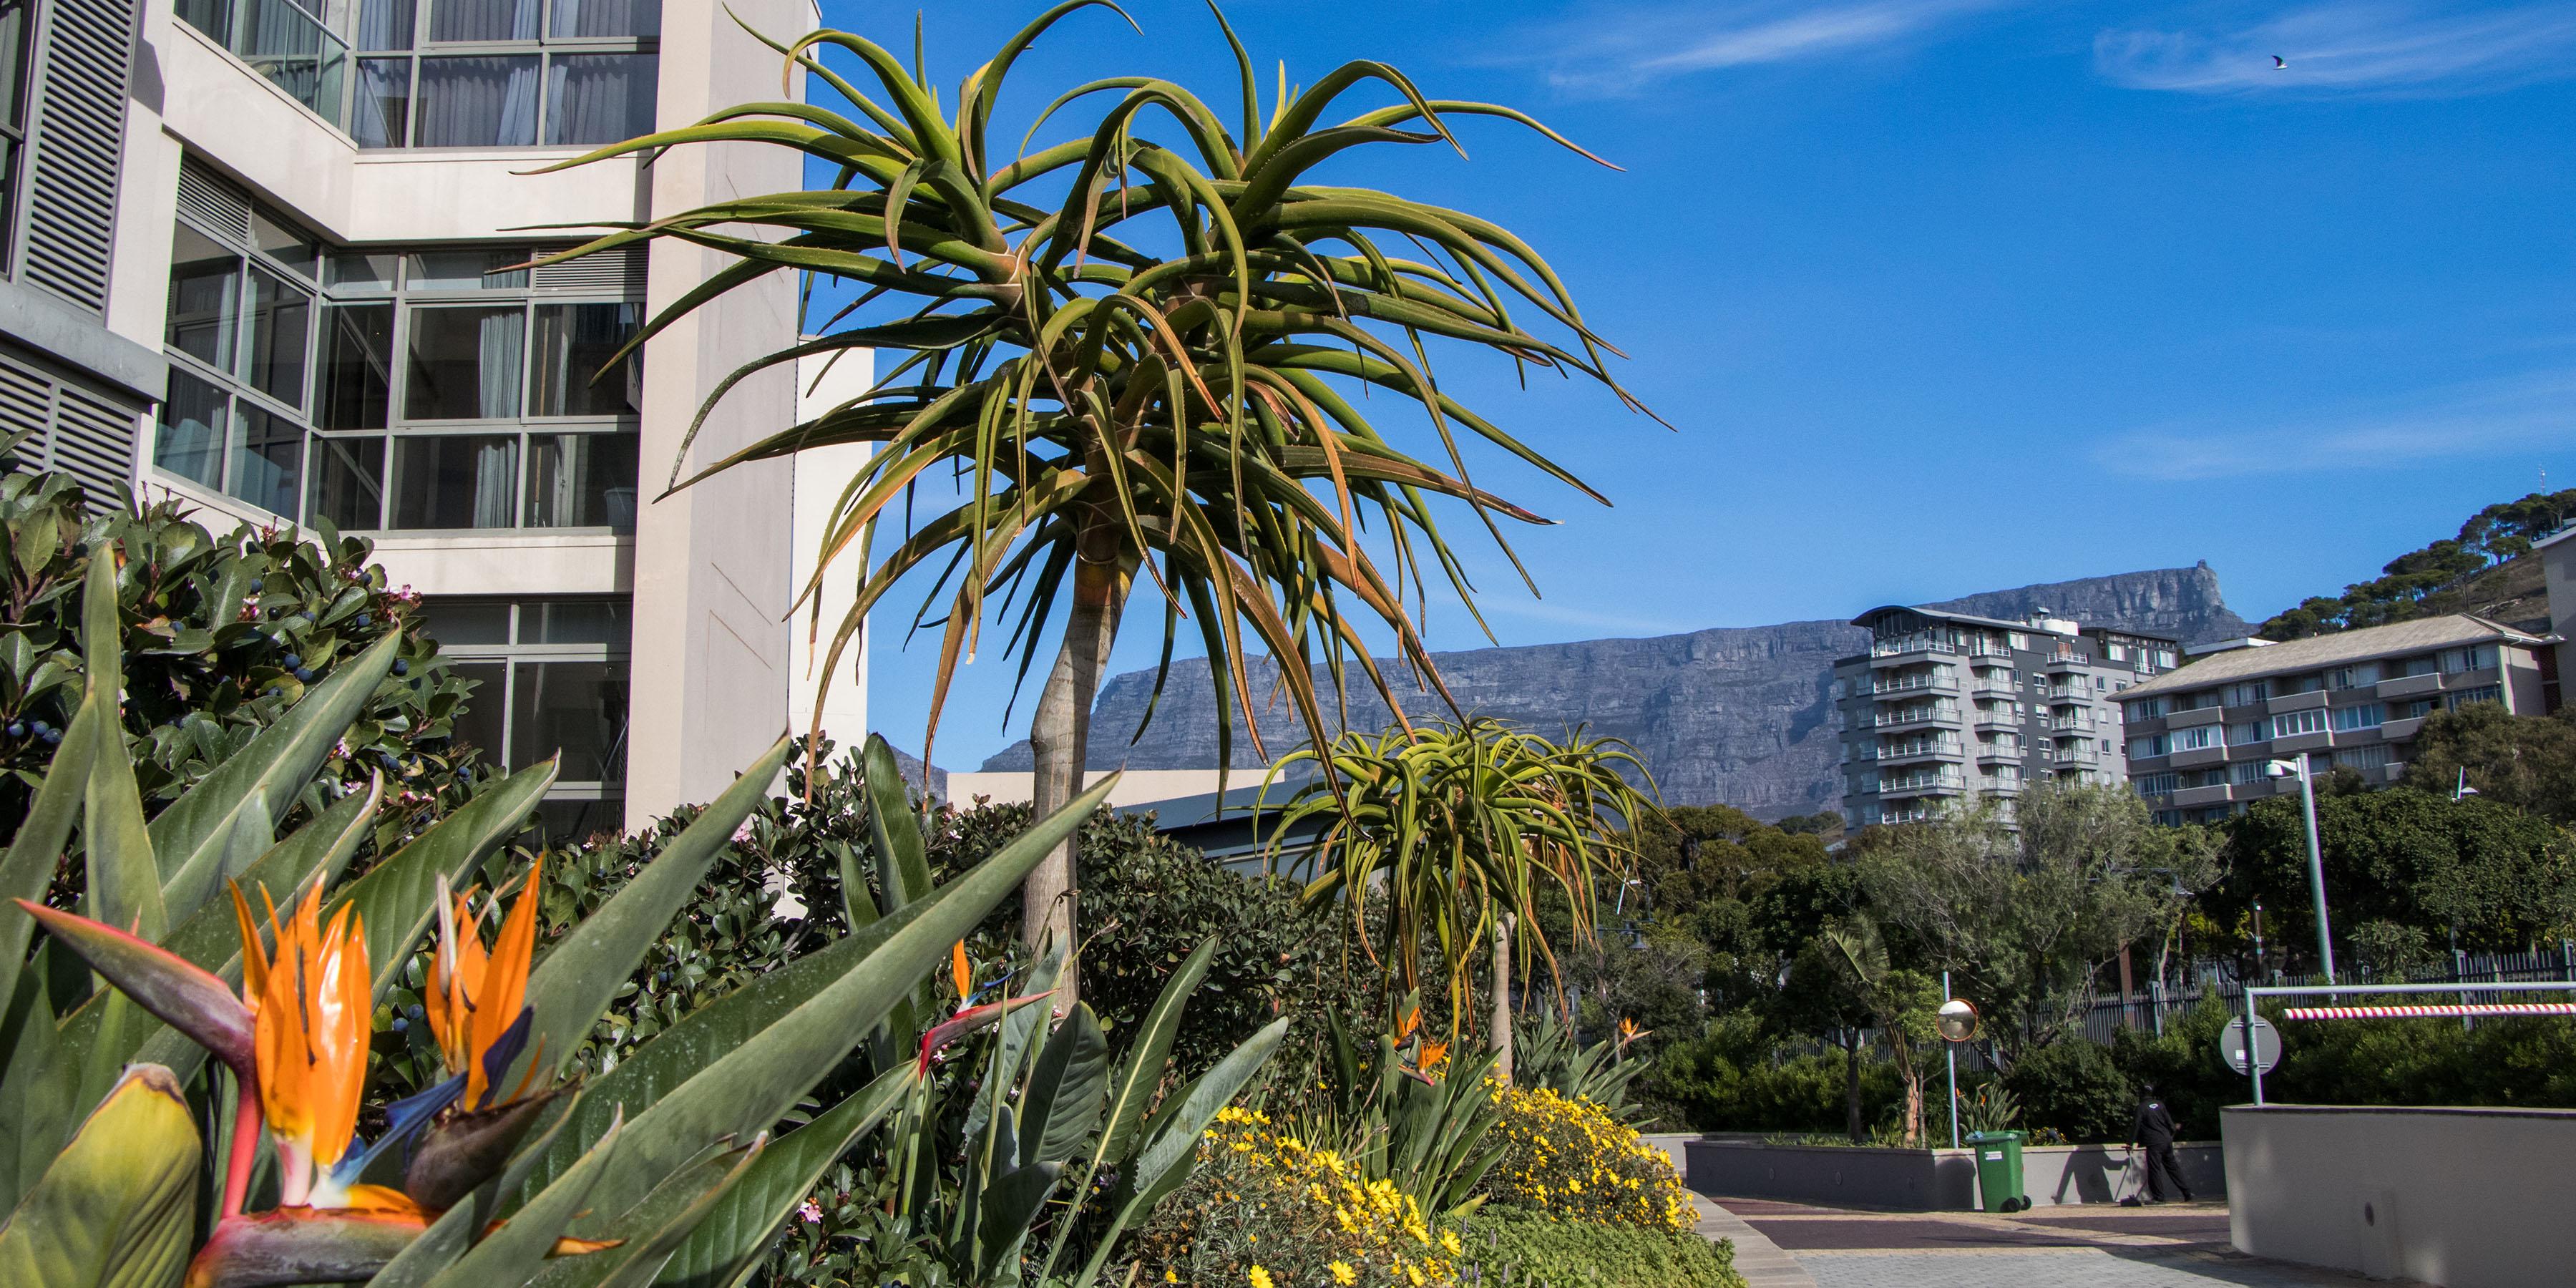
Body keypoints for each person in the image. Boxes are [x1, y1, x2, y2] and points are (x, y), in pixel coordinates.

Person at [2127, 1082, 2192, 1204]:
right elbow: (2170, 1123)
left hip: (2154, 1142)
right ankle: (2187, 1193)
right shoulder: (2160, 1105)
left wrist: (2130, 1143)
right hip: (2166, 1140)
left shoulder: (2141, 1108)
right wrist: (2173, 1131)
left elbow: (2136, 1125)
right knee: (2173, 1168)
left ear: (2141, 1093)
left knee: (2154, 1169)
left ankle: (2159, 1198)